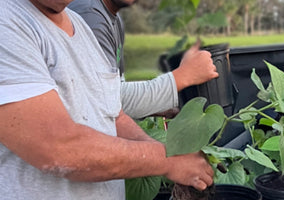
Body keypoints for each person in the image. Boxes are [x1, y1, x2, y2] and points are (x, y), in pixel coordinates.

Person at [0, 0, 215, 199]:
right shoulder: (8, 20)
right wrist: (167, 160)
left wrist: (169, 154)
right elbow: (57, 147)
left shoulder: (79, 25)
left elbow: (114, 115)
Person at [68, 0, 218, 119]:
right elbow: (106, 101)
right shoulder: (90, 15)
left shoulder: (112, 17)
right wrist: (183, 77)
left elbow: (117, 88)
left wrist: (156, 106)